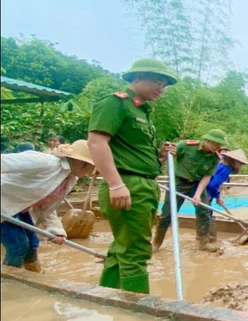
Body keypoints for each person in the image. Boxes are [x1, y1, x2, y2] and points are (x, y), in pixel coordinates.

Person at [87, 58, 177, 294]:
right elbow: (96, 142)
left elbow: (130, 152)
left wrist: (160, 156)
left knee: (122, 248)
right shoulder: (115, 103)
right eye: (157, 81)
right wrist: (116, 184)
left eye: (165, 84)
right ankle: (138, 318)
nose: (162, 88)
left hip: (142, 183)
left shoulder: (143, 111)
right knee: (136, 251)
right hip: (127, 184)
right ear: (137, 77)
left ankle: (107, 301)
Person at [1, 140, 95, 272]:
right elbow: (4, 162)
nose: (92, 170)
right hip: (4, 205)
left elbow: (46, 207)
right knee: (18, 246)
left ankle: (34, 277)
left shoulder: (69, 178)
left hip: (19, 208)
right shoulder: (45, 161)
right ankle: (10, 283)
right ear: (81, 162)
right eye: (91, 166)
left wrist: (56, 230)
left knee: (33, 243)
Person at [153, 129, 228, 253]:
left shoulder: (215, 157)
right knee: (168, 213)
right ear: (208, 140)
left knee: (204, 211)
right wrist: (168, 151)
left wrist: (198, 194)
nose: (218, 147)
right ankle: (156, 243)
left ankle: (203, 244)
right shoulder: (185, 146)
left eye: (220, 145)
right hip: (178, 182)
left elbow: (207, 176)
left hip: (197, 183)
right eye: (216, 144)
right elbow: (170, 154)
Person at [206, 148, 248, 245]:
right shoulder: (226, 169)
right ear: (234, 161)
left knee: (204, 214)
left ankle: (203, 239)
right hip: (205, 192)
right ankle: (211, 241)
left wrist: (217, 196)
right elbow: (212, 185)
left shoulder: (220, 161)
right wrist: (217, 197)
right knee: (207, 215)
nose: (240, 166)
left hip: (201, 188)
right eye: (240, 163)